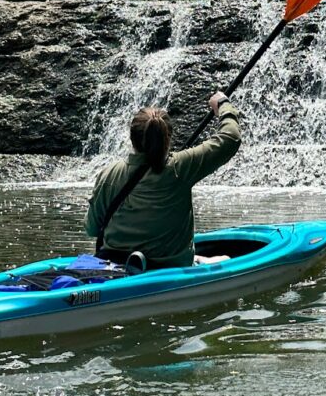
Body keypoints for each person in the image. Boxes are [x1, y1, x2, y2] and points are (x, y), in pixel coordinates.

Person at [84, 91, 242, 269]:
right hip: (169, 267)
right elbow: (230, 138)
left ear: (131, 138)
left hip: (113, 265)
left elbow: (91, 229)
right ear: (168, 139)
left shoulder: (109, 174)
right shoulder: (180, 167)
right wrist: (223, 104)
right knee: (226, 259)